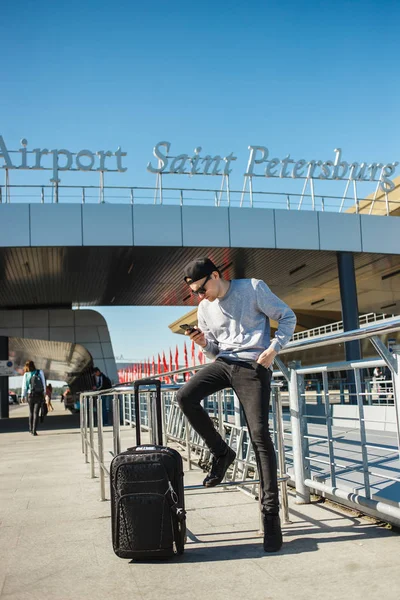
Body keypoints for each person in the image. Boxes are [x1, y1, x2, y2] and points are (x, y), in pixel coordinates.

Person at [177, 257, 296, 553]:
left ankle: (270, 516)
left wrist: (273, 349)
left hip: (254, 365)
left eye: (201, 290)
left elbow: (288, 317)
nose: (199, 297)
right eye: (194, 293)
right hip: (224, 363)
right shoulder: (204, 308)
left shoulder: (253, 288)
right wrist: (202, 342)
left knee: (259, 436)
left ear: (215, 275)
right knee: (184, 397)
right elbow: (215, 351)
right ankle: (222, 453)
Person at [21, 360, 46, 436]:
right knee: (36, 413)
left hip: (30, 395)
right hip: (39, 394)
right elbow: (44, 383)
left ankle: (30, 429)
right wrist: (44, 393)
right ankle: (34, 431)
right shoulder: (39, 372)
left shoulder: (26, 374)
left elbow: (24, 386)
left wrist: (23, 396)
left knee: (31, 412)